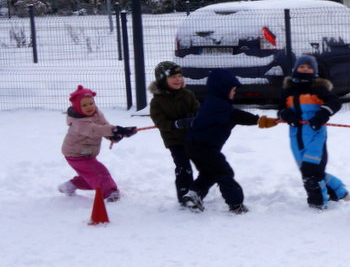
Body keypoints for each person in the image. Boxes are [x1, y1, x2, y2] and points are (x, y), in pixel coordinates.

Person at [183, 69, 278, 214]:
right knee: (224, 173)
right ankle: (236, 205)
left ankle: (194, 195)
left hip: (195, 145)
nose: (234, 92)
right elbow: (237, 116)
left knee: (209, 173)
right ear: (222, 89)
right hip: (205, 147)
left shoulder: (212, 103)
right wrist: (259, 120)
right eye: (232, 89)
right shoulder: (220, 106)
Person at [277, 55, 350, 209]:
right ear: (295, 69)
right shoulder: (288, 91)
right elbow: (281, 109)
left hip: (315, 135)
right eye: (302, 67)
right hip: (295, 136)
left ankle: (318, 202)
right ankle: (339, 192)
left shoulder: (318, 88)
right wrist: (287, 115)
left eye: (309, 67)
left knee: (311, 172)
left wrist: (322, 115)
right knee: (308, 171)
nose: (305, 70)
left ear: (314, 71)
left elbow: (335, 103)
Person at [59, 85, 136, 201]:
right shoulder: (78, 122)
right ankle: (111, 193)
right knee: (99, 172)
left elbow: (104, 127)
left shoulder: (97, 114)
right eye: (84, 105)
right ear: (77, 107)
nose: (89, 107)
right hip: (75, 154)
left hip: (87, 153)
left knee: (91, 176)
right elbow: (95, 130)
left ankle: (70, 186)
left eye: (91, 103)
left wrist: (116, 135)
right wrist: (115, 129)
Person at [147, 61, 200, 209]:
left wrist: (197, 115)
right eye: (173, 77)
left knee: (206, 162)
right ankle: (185, 195)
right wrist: (176, 124)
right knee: (183, 166)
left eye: (179, 76)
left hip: (192, 137)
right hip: (174, 140)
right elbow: (160, 121)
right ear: (163, 80)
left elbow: (197, 108)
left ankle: (201, 188)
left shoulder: (187, 94)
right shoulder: (157, 102)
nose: (178, 79)